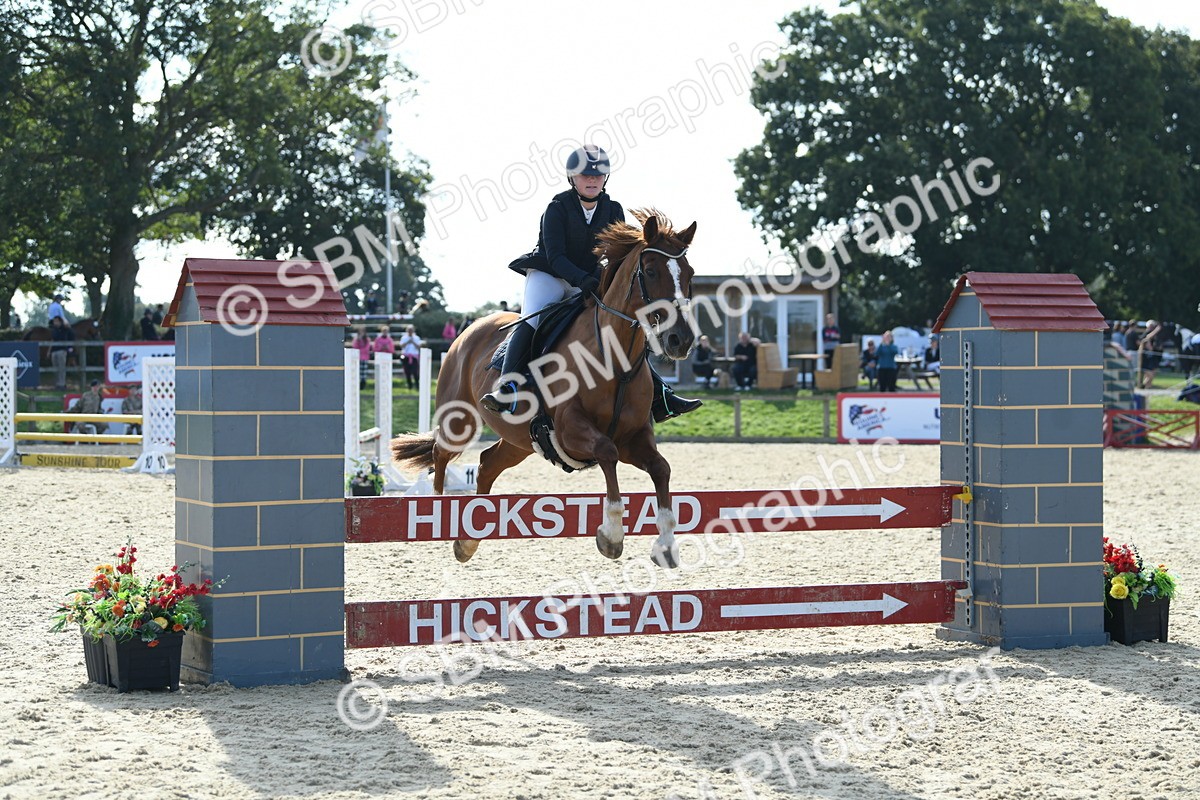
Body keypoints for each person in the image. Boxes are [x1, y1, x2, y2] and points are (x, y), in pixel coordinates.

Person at [480, 144, 701, 422]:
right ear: (573, 178)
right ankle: (508, 388)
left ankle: (661, 394)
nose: (593, 180)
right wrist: (582, 279)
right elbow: (556, 255)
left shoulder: (613, 209)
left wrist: (600, 280)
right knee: (532, 321)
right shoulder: (557, 207)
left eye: (598, 175)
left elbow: (616, 256)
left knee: (624, 324)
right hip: (550, 275)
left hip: (588, 279)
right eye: (586, 176)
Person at [49, 315, 75, 390]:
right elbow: (52, 340)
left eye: (57, 321)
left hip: (61, 350)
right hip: (54, 350)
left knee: (61, 367)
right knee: (55, 367)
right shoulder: (54, 330)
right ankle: (57, 384)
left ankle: (62, 384)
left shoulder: (65, 329)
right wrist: (49, 351)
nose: (55, 323)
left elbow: (71, 334)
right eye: (54, 321)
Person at [398, 325, 422, 390]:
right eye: (409, 330)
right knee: (407, 372)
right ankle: (409, 386)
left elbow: (418, 347)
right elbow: (402, 346)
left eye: (411, 330)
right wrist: (408, 342)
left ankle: (417, 385)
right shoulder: (404, 338)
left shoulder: (417, 338)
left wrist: (413, 342)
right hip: (406, 356)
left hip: (414, 357)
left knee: (415, 372)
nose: (410, 332)